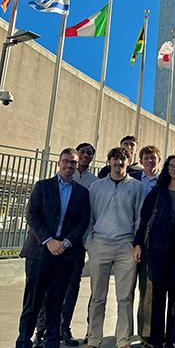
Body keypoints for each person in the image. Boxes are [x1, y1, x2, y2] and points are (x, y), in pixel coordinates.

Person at [16, 148, 91, 348]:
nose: (69, 166)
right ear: (59, 163)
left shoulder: (82, 193)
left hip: (65, 255)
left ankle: (51, 342)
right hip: (39, 253)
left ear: (77, 166)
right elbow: (32, 215)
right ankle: (24, 340)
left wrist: (65, 242)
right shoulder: (43, 187)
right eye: (66, 161)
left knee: (56, 303)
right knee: (32, 302)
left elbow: (83, 222)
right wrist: (48, 240)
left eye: (73, 163)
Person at [34, 142, 98, 347]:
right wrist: (50, 240)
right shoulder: (51, 182)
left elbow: (87, 216)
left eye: (90, 153)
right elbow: (36, 213)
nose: (86, 155)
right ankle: (41, 330)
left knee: (71, 288)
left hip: (74, 244)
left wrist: (72, 240)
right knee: (44, 289)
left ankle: (64, 328)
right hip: (48, 245)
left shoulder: (93, 182)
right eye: (83, 152)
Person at [134, 155, 175, 348]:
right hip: (158, 250)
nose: (174, 169)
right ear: (166, 169)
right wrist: (137, 244)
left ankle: (171, 338)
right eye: (170, 166)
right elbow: (144, 220)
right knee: (157, 296)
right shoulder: (156, 193)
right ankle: (155, 338)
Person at [86, 147, 144, 348]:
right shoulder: (96, 187)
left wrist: (136, 244)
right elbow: (89, 217)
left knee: (125, 297)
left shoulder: (137, 187)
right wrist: (89, 243)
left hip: (125, 245)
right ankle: (94, 338)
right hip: (100, 243)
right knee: (97, 297)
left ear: (128, 163)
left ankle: (123, 340)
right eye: (115, 161)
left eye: (122, 162)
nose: (118, 165)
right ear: (109, 161)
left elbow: (139, 218)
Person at [130, 145, 162, 345]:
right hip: (126, 239)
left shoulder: (163, 183)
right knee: (125, 292)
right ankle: (123, 332)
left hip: (147, 243)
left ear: (159, 160)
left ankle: (145, 333)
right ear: (141, 161)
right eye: (147, 158)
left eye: (154, 158)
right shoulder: (132, 181)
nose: (150, 161)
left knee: (146, 290)